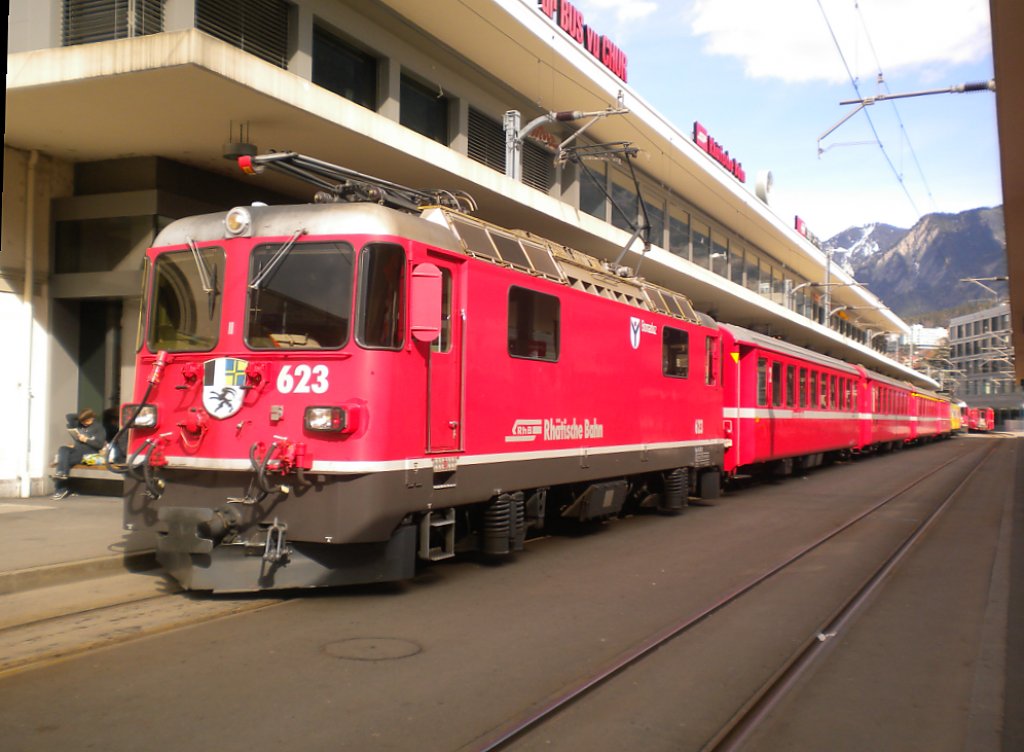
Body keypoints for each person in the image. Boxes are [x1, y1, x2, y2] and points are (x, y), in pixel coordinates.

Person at [52, 408, 106, 499]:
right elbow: (69, 416)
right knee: (63, 449)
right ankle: (63, 475)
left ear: (92, 418)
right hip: (77, 450)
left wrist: (86, 440)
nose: (84, 423)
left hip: (89, 454)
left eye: (87, 420)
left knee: (64, 461)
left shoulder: (98, 427)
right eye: (82, 421)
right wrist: (82, 415)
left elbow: (99, 445)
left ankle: (61, 488)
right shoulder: (79, 425)